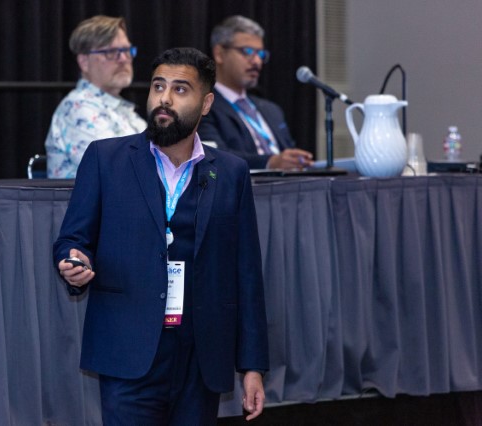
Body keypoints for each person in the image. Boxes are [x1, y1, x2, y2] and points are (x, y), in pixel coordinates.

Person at [53, 47, 269, 424]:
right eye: (158, 86)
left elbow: (246, 272)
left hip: (201, 356)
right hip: (128, 350)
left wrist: (252, 366)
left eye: (180, 89)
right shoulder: (106, 159)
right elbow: (73, 240)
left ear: (206, 103)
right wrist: (74, 261)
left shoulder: (230, 173)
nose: (164, 98)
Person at [198, 15, 314, 170]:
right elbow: (214, 156)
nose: (257, 61)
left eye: (261, 54)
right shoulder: (203, 106)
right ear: (219, 54)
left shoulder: (272, 110)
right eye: (247, 51)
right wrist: (270, 162)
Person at [44, 15, 146, 178]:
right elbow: (119, 171)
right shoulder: (77, 108)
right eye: (111, 52)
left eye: (126, 50)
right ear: (84, 62)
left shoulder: (123, 111)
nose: (123, 59)